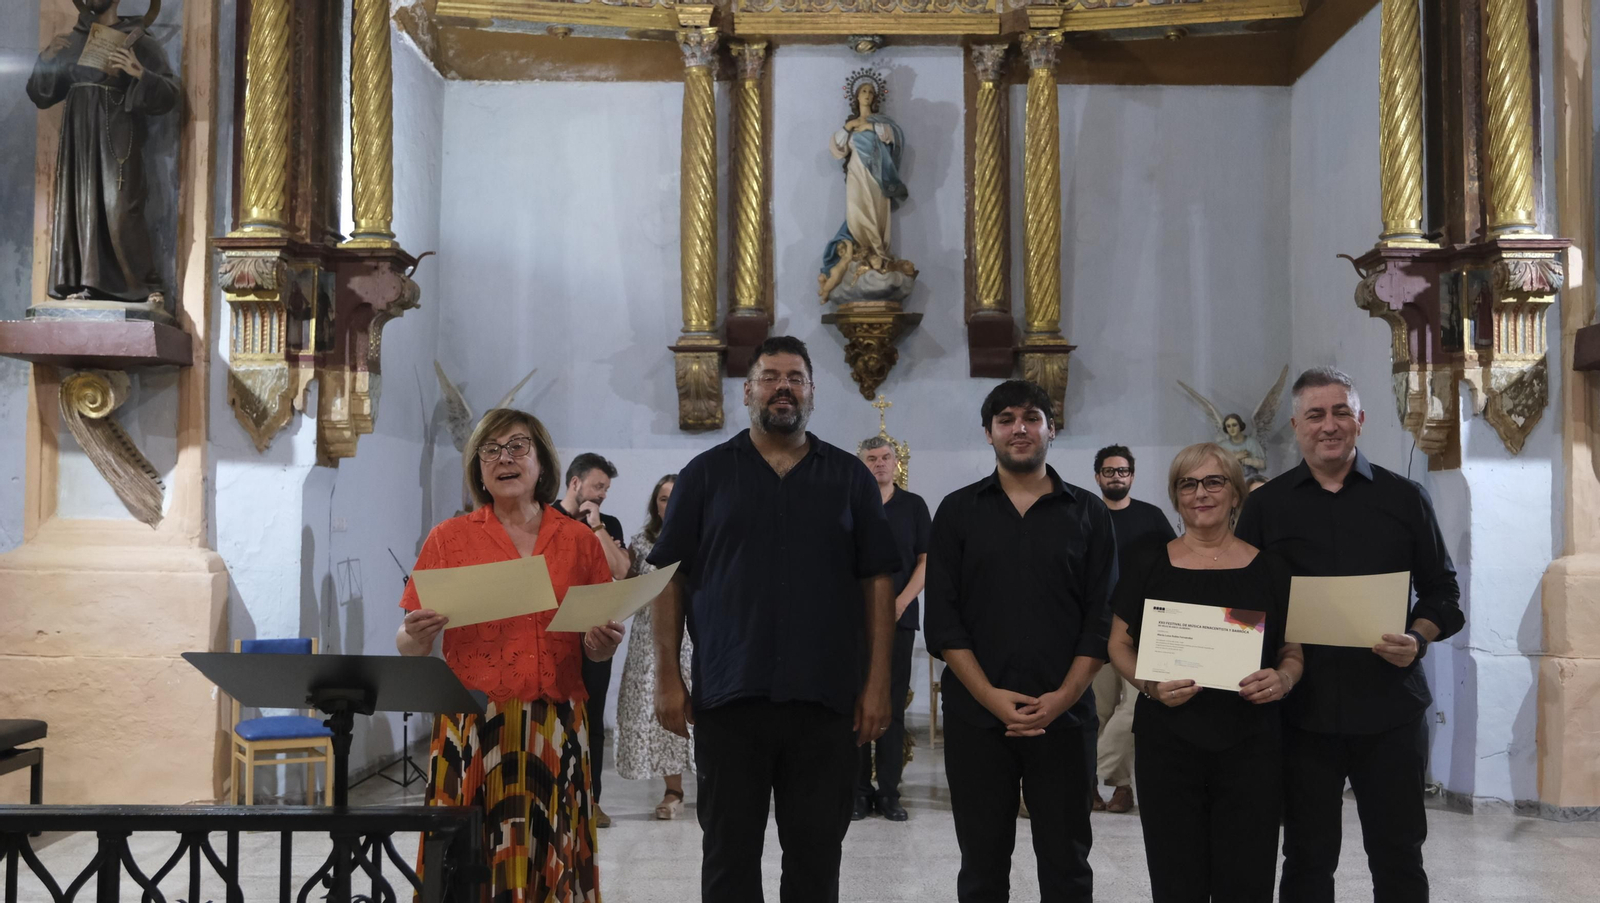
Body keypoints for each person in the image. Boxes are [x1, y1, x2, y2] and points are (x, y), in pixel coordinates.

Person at [647, 335, 899, 902]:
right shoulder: (706, 474)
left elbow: (877, 580)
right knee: (729, 858)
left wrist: (877, 682)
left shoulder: (850, 478)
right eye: (769, 377)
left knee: (815, 859)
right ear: (747, 392)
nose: (782, 387)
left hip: (825, 699)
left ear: (811, 392)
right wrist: (667, 676)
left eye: (794, 378)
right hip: (731, 698)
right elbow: (668, 577)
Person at [1236, 367, 1463, 903]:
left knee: (1400, 853)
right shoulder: (1266, 507)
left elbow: (1443, 595)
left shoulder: (1405, 499)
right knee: (1307, 857)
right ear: (1296, 425)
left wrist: (1418, 637)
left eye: (1341, 412)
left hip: (1390, 707)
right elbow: (1244, 603)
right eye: (1315, 414)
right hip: (1301, 713)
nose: (1329, 425)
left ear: (1360, 420)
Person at [397, 408, 625, 901]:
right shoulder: (449, 538)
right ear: (478, 468)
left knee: (550, 854)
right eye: (491, 450)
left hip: (556, 724)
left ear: (542, 462)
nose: (505, 458)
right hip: (473, 726)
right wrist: (417, 635)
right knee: (469, 857)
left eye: (518, 446)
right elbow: (408, 643)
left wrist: (599, 645)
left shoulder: (578, 541)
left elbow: (595, 642)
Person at [924, 379, 1117, 903]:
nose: (1019, 429)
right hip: (978, 719)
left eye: (1031, 417)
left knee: (1068, 864)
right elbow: (943, 621)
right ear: (989, 433)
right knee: (982, 866)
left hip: (1066, 716)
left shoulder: (1089, 513)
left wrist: (1061, 699)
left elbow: (1101, 620)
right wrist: (990, 697)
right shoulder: (958, 512)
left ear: (1051, 429)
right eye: (1006, 419)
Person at [1105, 443, 1304, 903]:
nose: (1201, 493)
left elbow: (1293, 649)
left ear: (1236, 494)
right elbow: (1118, 643)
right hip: (1168, 741)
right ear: (1176, 497)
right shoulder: (1148, 561)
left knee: (1248, 877)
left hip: (1251, 742)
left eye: (1214, 481)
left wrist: (1284, 678)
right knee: (1176, 878)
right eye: (1188, 484)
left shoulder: (1271, 567)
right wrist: (1150, 684)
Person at [28, 0, 177, 306]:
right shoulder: (74, 39)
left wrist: (139, 74)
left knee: (120, 208)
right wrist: (46, 59)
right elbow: (41, 95)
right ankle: (87, 282)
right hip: (78, 140)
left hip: (117, 135)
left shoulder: (136, 38)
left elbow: (169, 94)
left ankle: (143, 285)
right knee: (82, 208)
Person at [1088, 444, 1176, 814]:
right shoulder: (1086, 515)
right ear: (1098, 477)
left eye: (1122, 471)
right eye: (1109, 471)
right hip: (1099, 625)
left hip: (1144, 628)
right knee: (1099, 711)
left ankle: (1089, 773)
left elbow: (1174, 562)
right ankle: (1118, 787)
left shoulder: (1152, 517)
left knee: (1138, 705)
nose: (1116, 477)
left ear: (1132, 476)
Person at [853, 435, 931, 823]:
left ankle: (889, 793)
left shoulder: (913, 506)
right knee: (855, 702)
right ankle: (858, 792)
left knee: (892, 705)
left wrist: (900, 602)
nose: (880, 464)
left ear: (896, 463)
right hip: (855, 620)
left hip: (900, 619)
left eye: (886, 458)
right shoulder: (851, 502)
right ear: (862, 464)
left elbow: (925, 561)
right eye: (872, 458)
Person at [614, 474, 695, 820]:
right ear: (655, 505)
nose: (669, 504)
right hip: (652, 638)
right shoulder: (642, 542)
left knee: (704, 712)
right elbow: (626, 588)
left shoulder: (702, 534)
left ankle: (714, 786)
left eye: (675, 497)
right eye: (663, 498)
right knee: (658, 713)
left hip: (698, 635)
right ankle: (673, 789)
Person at [557, 453, 630, 828]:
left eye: (606, 488)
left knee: (593, 719)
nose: (602, 493)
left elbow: (621, 570)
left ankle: (592, 799)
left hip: (595, 633)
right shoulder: (547, 516)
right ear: (575, 483)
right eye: (598, 486)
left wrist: (596, 525)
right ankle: (555, 795)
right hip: (554, 632)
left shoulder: (608, 522)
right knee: (553, 716)